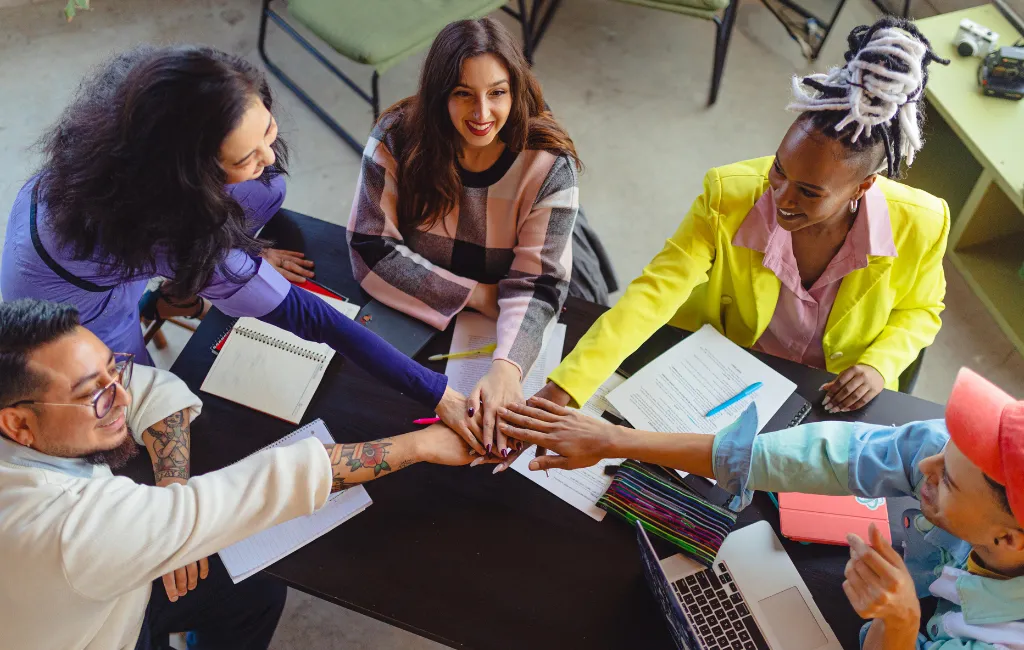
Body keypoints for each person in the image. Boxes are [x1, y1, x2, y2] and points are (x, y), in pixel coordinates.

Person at [0, 45, 479, 451]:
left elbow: (249, 186)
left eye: (266, 131)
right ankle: (161, 305)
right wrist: (439, 393)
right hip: (73, 307)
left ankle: (176, 292)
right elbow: (310, 317)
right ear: (190, 178)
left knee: (266, 188)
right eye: (244, 156)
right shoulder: (173, 228)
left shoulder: (141, 106)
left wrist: (234, 258)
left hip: (80, 226)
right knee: (132, 410)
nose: (268, 156)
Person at [0, 299, 490, 650]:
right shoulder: (61, 529)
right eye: (96, 394)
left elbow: (152, 387)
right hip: (100, 632)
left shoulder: (28, 416)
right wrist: (420, 444)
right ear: (18, 424)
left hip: (98, 591)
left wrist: (172, 491)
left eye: (115, 368)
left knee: (254, 590)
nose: (121, 397)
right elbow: (258, 488)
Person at [533, 17, 951, 420]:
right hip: (725, 377)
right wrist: (568, 386)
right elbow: (653, 294)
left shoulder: (922, 223)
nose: (780, 198)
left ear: (862, 188)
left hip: (832, 400)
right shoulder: (727, 194)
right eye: (780, 170)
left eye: (809, 192)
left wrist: (880, 364)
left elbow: (922, 309)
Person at [499, 368, 1024, 650]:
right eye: (941, 449)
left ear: (1008, 541)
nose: (923, 465)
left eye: (945, 479)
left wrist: (903, 622)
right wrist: (617, 439)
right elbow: (828, 457)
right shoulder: (967, 466)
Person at [347, 17, 596, 459]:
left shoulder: (550, 163)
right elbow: (369, 248)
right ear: (438, 93)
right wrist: (478, 295)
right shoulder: (396, 137)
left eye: (497, 92)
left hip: (514, 302)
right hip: (446, 305)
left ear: (516, 90)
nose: (482, 114)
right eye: (463, 94)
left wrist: (507, 368)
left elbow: (539, 285)